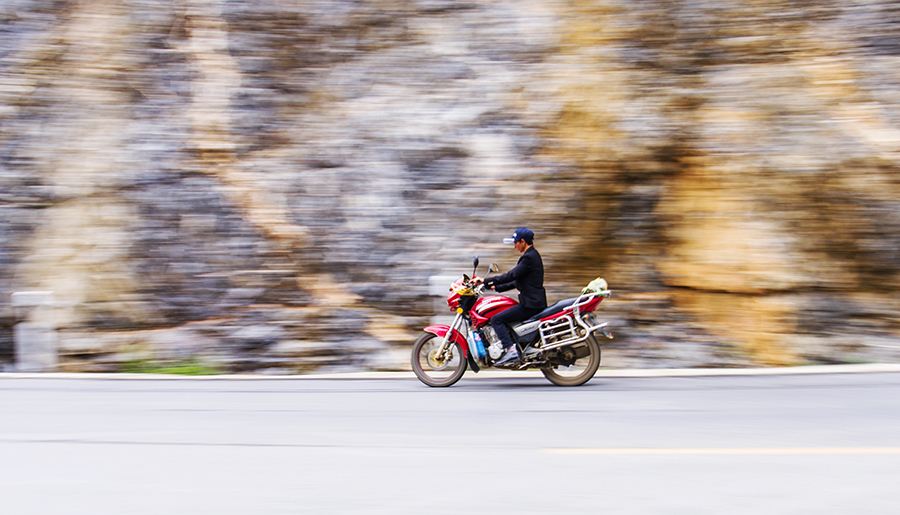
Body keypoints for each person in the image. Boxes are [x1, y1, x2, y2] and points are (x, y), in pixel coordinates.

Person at [481, 227, 547, 365]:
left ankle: (511, 351)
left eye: (516, 242)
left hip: (530, 304)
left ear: (523, 242)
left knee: (496, 320)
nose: (514, 246)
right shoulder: (532, 256)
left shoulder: (529, 257)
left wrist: (485, 280)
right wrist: (495, 287)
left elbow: (511, 275)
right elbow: (516, 281)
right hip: (533, 301)